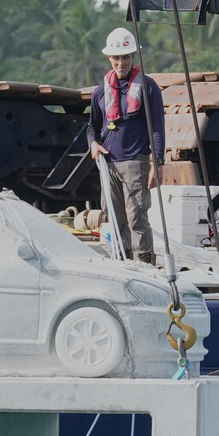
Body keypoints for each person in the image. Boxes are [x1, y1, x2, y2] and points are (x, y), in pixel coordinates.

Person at [86, 27, 165, 265]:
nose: (121, 63)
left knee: (137, 218)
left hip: (135, 162)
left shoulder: (149, 88)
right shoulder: (100, 92)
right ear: (110, 58)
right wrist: (93, 145)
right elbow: (91, 127)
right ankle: (121, 265)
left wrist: (157, 163)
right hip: (108, 164)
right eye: (116, 58)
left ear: (133, 58)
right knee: (115, 218)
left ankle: (143, 266)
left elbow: (158, 128)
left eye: (125, 57)